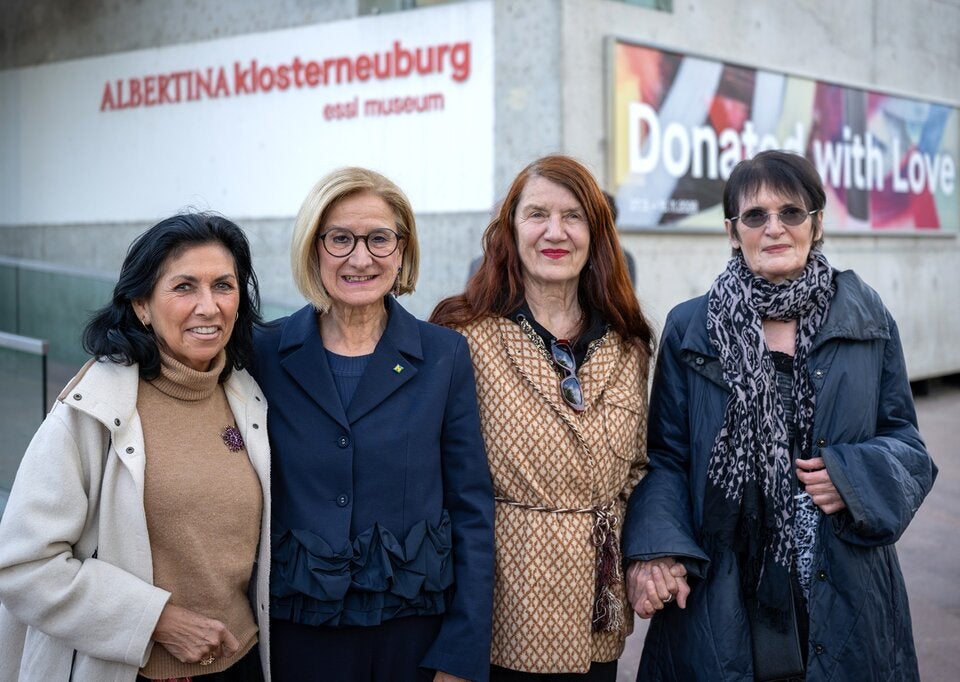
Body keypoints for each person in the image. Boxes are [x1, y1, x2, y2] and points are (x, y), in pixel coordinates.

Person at [622, 149, 937, 681]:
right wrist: (657, 549)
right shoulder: (690, 327)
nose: (774, 227)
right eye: (755, 215)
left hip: (843, 577)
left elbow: (905, 441)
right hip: (725, 581)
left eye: (791, 212)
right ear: (731, 230)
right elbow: (667, 457)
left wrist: (851, 477)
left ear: (816, 224)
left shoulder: (866, 315)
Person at [0, 213, 271, 681]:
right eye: (184, 287)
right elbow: (24, 566)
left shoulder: (248, 396)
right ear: (142, 305)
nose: (208, 306)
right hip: (131, 671)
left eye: (223, 286)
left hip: (240, 663)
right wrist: (154, 620)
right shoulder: (92, 410)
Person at [252, 167, 494, 682]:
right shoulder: (264, 353)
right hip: (298, 632)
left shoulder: (444, 355)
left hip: (412, 636)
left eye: (379, 239)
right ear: (313, 247)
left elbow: (471, 508)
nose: (360, 258)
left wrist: (461, 651)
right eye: (340, 239)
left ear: (402, 250)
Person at [431, 154, 654, 681]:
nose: (555, 231)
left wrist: (647, 557)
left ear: (597, 233)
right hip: (500, 611)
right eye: (537, 214)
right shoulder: (462, 336)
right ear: (510, 230)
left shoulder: (629, 344)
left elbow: (639, 470)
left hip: (598, 615)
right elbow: (436, 483)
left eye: (573, 215)